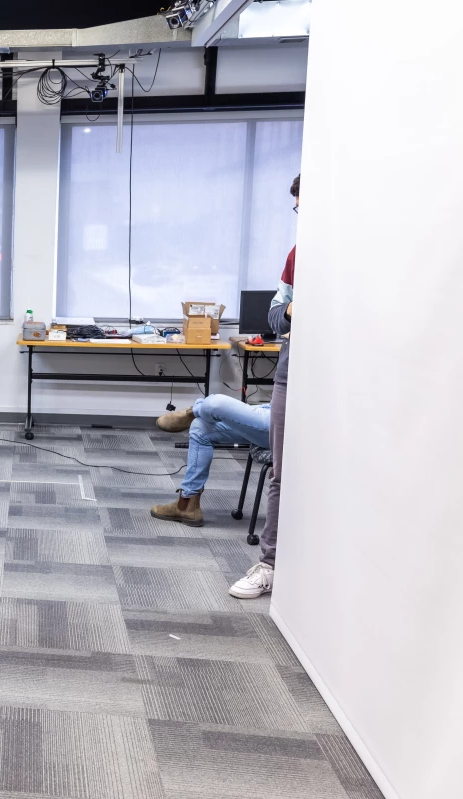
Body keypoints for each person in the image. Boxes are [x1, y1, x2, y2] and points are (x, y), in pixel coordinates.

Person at [226, 173, 298, 599]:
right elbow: (273, 318)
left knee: (208, 411)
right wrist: (291, 310)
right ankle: (270, 562)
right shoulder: (298, 255)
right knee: (282, 474)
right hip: (292, 373)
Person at [152, 395, 271, 527]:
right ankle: (186, 504)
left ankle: (195, 409)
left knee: (215, 404)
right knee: (200, 427)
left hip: (284, 425)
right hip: (271, 411)